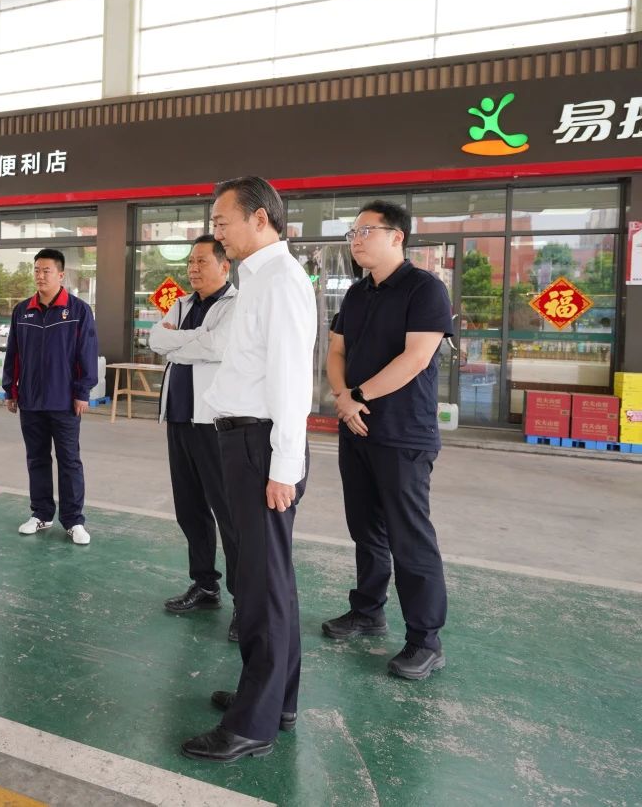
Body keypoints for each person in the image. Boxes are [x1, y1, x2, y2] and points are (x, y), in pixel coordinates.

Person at [181, 176, 316, 763]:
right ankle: (275, 698)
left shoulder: (280, 280)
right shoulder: (258, 278)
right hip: (245, 442)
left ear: (260, 218)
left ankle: (253, 725)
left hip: (262, 447)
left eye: (222, 222)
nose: (216, 233)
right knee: (269, 581)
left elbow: (291, 382)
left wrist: (283, 466)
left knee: (261, 587)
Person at [322, 199, 452, 680]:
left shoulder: (425, 289)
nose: (356, 240)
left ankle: (425, 640)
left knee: (409, 536)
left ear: (397, 237)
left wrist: (356, 396)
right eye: (352, 233)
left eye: (365, 231)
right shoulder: (357, 294)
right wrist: (344, 398)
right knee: (365, 529)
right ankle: (367, 610)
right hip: (356, 429)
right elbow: (336, 350)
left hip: (403, 433)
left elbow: (416, 357)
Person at [149, 235, 240, 636]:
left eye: (202, 261)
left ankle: (245, 602)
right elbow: (155, 340)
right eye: (190, 262)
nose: (193, 269)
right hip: (179, 418)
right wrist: (192, 341)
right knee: (190, 509)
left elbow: (218, 346)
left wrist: (178, 344)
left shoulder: (235, 305)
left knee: (229, 513)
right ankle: (205, 585)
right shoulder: (181, 303)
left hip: (213, 423)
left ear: (224, 265)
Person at [2, 248, 99, 546]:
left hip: (64, 401)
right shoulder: (22, 311)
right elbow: (13, 354)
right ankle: (41, 514)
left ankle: (74, 520)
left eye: (46, 270)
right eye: (36, 270)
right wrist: (11, 389)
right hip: (31, 400)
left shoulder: (78, 310)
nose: (40, 276)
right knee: (37, 458)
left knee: (69, 460)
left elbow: (87, 353)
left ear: (61, 274)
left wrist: (82, 391)